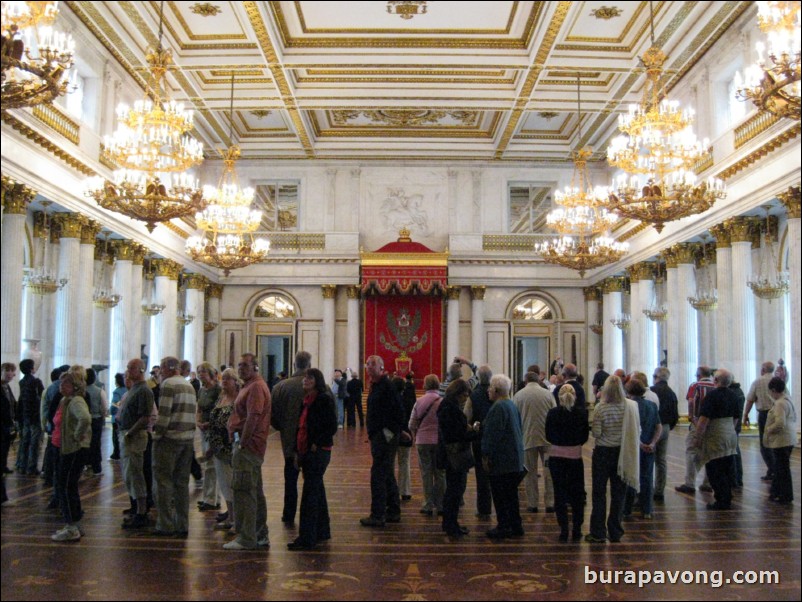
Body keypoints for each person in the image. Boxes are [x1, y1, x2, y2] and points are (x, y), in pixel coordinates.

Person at [224, 353, 271, 550]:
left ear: (255, 367)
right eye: (239, 365)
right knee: (254, 491)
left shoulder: (256, 387)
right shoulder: (250, 385)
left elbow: (253, 416)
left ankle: (247, 537)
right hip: (249, 445)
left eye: (245, 365)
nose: (241, 368)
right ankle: (259, 534)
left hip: (248, 446)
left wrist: (242, 443)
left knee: (244, 492)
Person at [288, 368, 338, 550]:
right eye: (305, 377)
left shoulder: (323, 399)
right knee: (317, 490)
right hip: (307, 450)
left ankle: (307, 538)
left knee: (309, 494)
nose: (305, 380)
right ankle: (323, 530)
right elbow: (301, 427)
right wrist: (296, 451)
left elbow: (332, 426)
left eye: (310, 377)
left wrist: (317, 443)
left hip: (318, 451)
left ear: (317, 379)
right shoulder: (306, 400)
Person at [586, 375, 639, 544]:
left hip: (603, 453)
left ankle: (598, 532)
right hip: (621, 453)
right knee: (618, 494)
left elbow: (596, 433)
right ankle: (615, 530)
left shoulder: (601, 408)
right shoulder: (629, 407)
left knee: (599, 493)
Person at [151, 356, 197, 537]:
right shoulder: (189, 386)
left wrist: (157, 436)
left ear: (168, 368)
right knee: (181, 484)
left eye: (161, 368)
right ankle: (182, 524)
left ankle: (165, 524)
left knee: (163, 483)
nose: (159, 372)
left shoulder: (169, 384)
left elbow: (164, 415)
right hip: (187, 439)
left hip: (170, 440)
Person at [360, 355, 405, 528]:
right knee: (386, 473)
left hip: (384, 437)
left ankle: (378, 515)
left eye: (372, 365)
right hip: (380, 436)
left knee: (378, 475)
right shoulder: (377, 386)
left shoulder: (387, 386)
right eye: (367, 364)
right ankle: (393, 511)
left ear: (381, 367)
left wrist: (388, 433)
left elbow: (398, 412)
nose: (369, 367)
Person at [482, 374, 525, 540]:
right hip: (514, 458)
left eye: (490, 388)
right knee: (511, 495)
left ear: (496, 390)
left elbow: (492, 435)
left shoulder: (498, 407)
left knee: (500, 495)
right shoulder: (511, 405)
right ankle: (516, 525)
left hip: (502, 460)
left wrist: (486, 455)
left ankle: (503, 526)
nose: (488, 391)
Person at [271, 350, 312, 525]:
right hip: (312, 442)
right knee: (311, 482)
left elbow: (273, 417)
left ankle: (288, 515)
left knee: (290, 481)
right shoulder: (319, 386)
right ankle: (310, 517)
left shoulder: (281, 387)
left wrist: (285, 429)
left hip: (289, 442)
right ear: (309, 365)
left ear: (294, 364)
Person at [51, 370, 91, 542]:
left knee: (65, 487)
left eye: (65, 384)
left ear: (74, 386)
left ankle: (71, 526)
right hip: (63, 448)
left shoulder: (75, 401)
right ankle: (75, 523)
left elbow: (85, 419)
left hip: (72, 450)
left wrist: (76, 436)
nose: (61, 387)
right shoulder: (65, 400)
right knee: (68, 486)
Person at [546, 384, 589, 542]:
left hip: (556, 458)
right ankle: (577, 529)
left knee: (560, 494)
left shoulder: (552, 413)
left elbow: (548, 435)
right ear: (575, 396)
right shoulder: (582, 413)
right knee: (577, 495)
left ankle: (564, 529)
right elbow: (584, 437)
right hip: (574, 458)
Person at [437, 379, 478, 537]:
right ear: (458, 393)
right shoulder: (450, 408)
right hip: (454, 455)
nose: (466, 397)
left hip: (450, 454)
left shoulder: (447, 405)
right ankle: (451, 524)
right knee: (455, 490)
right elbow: (456, 434)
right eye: (465, 394)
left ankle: (450, 523)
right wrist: (473, 432)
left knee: (454, 490)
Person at [694, 369, 739, 511]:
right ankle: (727, 496)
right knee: (727, 467)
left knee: (715, 469)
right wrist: (730, 430)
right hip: (730, 434)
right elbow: (736, 417)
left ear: (716, 381)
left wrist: (698, 437)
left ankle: (721, 500)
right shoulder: (734, 395)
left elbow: (704, 418)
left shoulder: (712, 396)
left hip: (716, 435)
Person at [119, 359, 155, 530]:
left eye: (131, 368)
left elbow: (145, 417)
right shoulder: (134, 388)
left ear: (141, 370)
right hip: (128, 436)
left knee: (136, 475)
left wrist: (129, 432)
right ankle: (137, 508)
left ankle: (141, 511)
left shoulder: (144, 390)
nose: (128, 371)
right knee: (129, 475)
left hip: (135, 437)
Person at [513, 370, 555, 513]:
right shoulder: (547, 394)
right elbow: (554, 413)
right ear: (538, 381)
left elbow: (515, 417)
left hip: (527, 438)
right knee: (549, 472)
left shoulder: (519, 395)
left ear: (526, 381)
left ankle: (533, 504)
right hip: (548, 439)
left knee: (530, 473)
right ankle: (550, 502)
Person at [623, 378, 662, 520]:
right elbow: (659, 427)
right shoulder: (652, 405)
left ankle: (627, 510)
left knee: (630, 478)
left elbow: (629, 429)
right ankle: (647, 510)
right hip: (649, 448)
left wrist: (639, 443)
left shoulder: (629, 406)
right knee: (647, 478)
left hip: (634, 447)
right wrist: (652, 443)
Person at [207, 368, 240, 530]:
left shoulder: (238, 399)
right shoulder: (221, 397)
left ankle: (236, 519)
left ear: (236, 381)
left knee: (232, 482)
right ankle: (230, 516)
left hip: (230, 447)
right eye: (223, 379)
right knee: (224, 484)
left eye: (228, 379)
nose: (224, 381)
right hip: (217, 446)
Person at [409, 374, 444, 516]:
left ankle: (428, 504)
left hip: (423, 441)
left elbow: (411, 423)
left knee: (426, 473)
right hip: (439, 441)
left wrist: (414, 436)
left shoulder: (419, 401)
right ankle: (441, 504)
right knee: (440, 473)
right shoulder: (443, 401)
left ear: (425, 385)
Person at [676, 366, 714, 495]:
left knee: (691, 451)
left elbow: (691, 401)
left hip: (698, 422)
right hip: (712, 425)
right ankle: (707, 482)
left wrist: (692, 416)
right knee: (709, 453)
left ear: (698, 375)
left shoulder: (695, 385)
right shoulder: (715, 385)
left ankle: (690, 483)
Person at [465, 364, 493, 519]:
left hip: (479, 438)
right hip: (496, 439)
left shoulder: (474, 395)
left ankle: (484, 508)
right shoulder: (499, 393)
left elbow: (466, 416)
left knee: (481, 475)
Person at [764, 377, 795, 505]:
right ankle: (775, 492)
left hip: (781, 440)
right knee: (780, 468)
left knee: (782, 469)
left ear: (773, 390)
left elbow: (779, 423)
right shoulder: (788, 399)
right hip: (788, 438)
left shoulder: (780, 403)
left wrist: (768, 430)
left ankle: (785, 495)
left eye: (771, 391)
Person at [743, 361, 776, 481]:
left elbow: (750, 399)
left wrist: (745, 415)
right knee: (776, 442)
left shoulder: (758, 381)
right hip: (777, 413)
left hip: (764, 414)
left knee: (765, 444)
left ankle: (772, 469)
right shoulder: (777, 380)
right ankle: (775, 469)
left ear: (762, 369)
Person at [196, 362, 222, 512]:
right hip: (203, 429)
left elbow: (219, 410)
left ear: (210, 374)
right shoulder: (201, 390)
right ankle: (207, 497)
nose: (200, 375)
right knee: (207, 464)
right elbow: (199, 408)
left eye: (203, 372)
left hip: (214, 430)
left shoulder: (217, 390)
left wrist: (209, 423)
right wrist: (198, 421)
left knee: (212, 464)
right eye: (199, 372)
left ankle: (212, 499)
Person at [650, 367, 678, 502]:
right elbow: (675, 414)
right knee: (661, 460)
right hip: (666, 426)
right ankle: (659, 490)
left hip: (653, 427)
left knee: (648, 457)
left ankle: (647, 488)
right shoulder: (672, 393)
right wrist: (669, 427)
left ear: (656, 377)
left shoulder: (652, 391)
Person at [15, 358, 43, 476]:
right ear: (32, 368)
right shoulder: (36, 382)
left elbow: (21, 399)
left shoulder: (22, 382)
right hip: (35, 415)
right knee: (34, 442)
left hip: (25, 414)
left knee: (24, 441)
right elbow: (42, 397)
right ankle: (32, 467)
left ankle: (22, 464)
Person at [393, 375, 415, 501]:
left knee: (390, 464)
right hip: (406, 435)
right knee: (405, 463)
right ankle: (405, 490)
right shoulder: (409, 401)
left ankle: (390, 489)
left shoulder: (389, 400)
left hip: (392, 435)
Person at [83, 368, 107, 477]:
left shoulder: (81, 391)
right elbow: (104, 407)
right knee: (96, 444)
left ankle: (84, 463)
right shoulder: (99, 391)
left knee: (84, 443)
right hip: (96, 419)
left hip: (84, 420)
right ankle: (96, 468)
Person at [1, 363, 17, 502]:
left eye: (12, 371)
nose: (9, 373)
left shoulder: (7, 388)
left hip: (6, 429)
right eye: (7, 370)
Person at [109, 373, 126, 461]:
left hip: (116, 417)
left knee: (115, 437)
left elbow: (115, 405)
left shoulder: (117, 391)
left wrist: (111, 411)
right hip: (125, 417)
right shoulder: (128, 390)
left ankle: (116, 454)